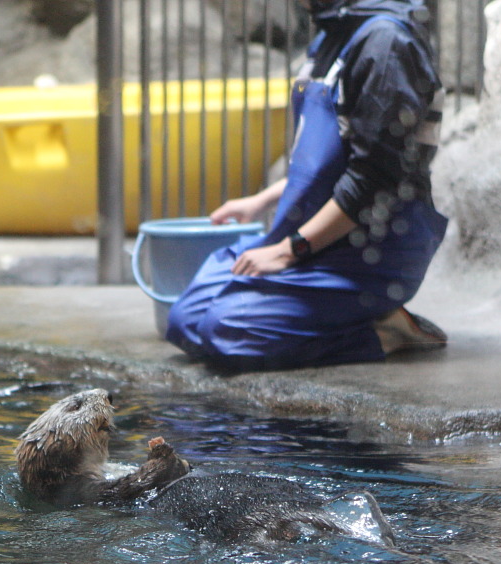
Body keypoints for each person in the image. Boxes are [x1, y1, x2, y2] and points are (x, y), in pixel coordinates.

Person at [166, 0, 448, 371]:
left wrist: (287, 251)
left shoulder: (386, 45)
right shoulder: (334, 35)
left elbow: (374, 180)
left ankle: (383, 331)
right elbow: (329, 166)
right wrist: (261, 200)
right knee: (186, 320)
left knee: (228, 331)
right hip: (318, 235)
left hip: (373, 249)